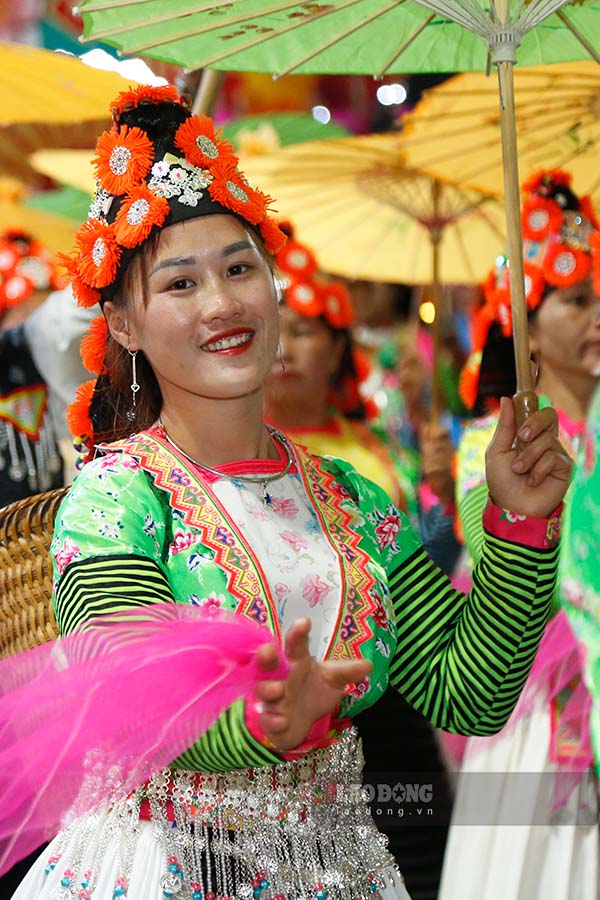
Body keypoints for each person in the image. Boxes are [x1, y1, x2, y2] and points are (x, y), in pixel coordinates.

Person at [10, 86, 571, 900]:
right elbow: (126, 693)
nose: (223, 303)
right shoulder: (115, 499)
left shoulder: (352, 498)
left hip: (336, 872)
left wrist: (521, 523)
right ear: (123, 326)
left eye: (240, 269)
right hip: (161, 869)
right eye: (179, 285)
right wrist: (266, 724)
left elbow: (471, 691)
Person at [264, 234, 457, 899]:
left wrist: (445, 502)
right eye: (277, 328)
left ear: (340, 346)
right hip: (285, 730)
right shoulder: (236, 466)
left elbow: (427, 572)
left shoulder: (374, 460)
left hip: (393, 710)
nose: (287, 347)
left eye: (307, 330)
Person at [439, 170, 600, 900]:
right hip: (549, 701)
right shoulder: (492, 443)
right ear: (526, 321)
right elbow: (495, 549)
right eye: (579, 300)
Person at [0, 230, 67, 505]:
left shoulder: (44, 363)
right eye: (26, 311)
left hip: (43, 521)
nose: (38, 325)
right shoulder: (11, 349)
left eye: (46, 311)